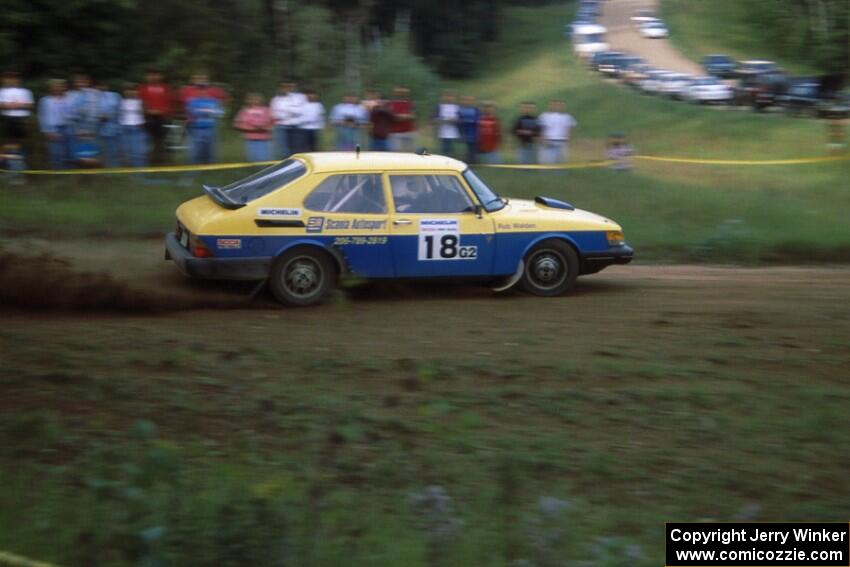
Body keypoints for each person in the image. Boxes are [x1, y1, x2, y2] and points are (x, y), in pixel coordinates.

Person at [137, 69, 173, 165]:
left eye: (156, 75)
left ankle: (161, 163)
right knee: (148, 142)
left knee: (161, 142)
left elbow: (169, 103)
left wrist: (162, 112)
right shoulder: (143, 88)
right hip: (148, 119)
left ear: (160, 76)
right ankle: (148, 163)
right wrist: (147, 111)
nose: (153, 77)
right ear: (147, 77)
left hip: (162, 119)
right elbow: (140, 103)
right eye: (150, 75)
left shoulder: (165, 88)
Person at [0, 71, 34, 169]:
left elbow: (30, 105)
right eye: (10, 78)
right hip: (7, 119)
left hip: (23, 120)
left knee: (23, 145)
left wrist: (19, 105)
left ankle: (22, 169)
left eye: (15, 78)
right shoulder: (2, 91)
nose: (13, 80)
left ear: (19, 80)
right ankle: (12, 170)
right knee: (9, 146)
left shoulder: (26, 91)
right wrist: (9, 105)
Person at [185, 85, 223, 164]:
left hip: (210, 128)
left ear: (207, 91)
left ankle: (209, 167)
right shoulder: (192, 101)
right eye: (199, 90)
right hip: (197, 129)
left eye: (203, 90)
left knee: (210, 149)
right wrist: (209, 111)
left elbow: (220, 113)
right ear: (196, 91)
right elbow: (193, 112)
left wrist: (204, 111)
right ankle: (195, 167)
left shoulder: (213, 101)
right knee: (196, 150)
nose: (201, 92)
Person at [38, 79, 70, 169]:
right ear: (50, 88)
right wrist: (47, 131)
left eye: (60, 86)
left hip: (69, 128)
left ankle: (70, 176)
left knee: (69, 154)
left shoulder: (70, 99)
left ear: (64, 87)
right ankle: (58, 176)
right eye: (55, 86)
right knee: (56, 154)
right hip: (53, 129)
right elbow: (42, 117)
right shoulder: (45, 100)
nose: (58, 88)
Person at [270, 81, 307, 157]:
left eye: (289, 86)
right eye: (284, 87)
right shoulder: (275, 99)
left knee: (298, 149)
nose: (287, 88)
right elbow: (274, 114)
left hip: (297, 126)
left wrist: (286, 111)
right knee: (284, 150)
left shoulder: (300, 97)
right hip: (282, 126)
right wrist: (291, 111)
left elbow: (302, 111)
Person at [233, 93, 273, 162]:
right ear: (248, 100)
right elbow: (237, 123)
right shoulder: (244, 110)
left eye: (256, 99)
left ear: (261, 100)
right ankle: (255, 168)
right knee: (252, 157)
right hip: (249, 136)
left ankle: (265, 168)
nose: (254, 101)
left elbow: (272, 122)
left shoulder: (266, 110)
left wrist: (266, 128)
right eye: (252, 99)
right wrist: (247, 128)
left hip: (263, 137)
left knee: (263, 157)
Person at [538, 100, 577, 164]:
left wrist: (569, 140)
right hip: (548, 141)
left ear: (563, 107)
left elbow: (570, 129)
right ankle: (547, 173)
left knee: (562, 160)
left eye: (560, 105)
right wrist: (542, 140)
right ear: (550, 106)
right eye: (555, 105)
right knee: (548, 161)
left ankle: (561, 173)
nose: (557, 107)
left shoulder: (567, 117)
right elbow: (540, 129)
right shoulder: (544, 116)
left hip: (562, 141)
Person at [119, 84, 148, 167]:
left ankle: (140, 174)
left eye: (133, 90)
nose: (130, 92)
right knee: (126, 152)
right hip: (124, 128)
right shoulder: (121, 102)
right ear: (124, 92)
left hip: (137, 128)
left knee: (138, 153)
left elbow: (145, 114)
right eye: (128, 90)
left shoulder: (141, 102)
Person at [96, 82, 122, 168]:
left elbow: (120, 110)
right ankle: (105, 174)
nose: (101, 87)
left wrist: (109, 116)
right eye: (99, 85)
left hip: (114, 130)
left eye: (103, 85)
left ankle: (115, 173)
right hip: (98, 131)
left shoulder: (114, 96)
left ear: (107, 86)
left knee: (114, 153)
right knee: (101, 154)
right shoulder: (92, 98)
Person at [388, 86, 416, 152]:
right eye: (399, 92)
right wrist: (405, 116)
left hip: (409, 132)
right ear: (395, 93)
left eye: (404, 92)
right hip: (395, 133)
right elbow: (391, 117)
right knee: (397, 153)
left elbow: (413, 116)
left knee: (410, 153)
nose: (402, 94)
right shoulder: (391, 103)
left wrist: (400, 116)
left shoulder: (411, 103)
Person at [434, 90, 460, 156]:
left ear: (454, 98)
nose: (449, 98)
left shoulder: (457, 107)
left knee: (452, 151)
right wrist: (443, 120)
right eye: (447, 96)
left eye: (451, 96)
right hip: (442, 133)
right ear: (443, 97)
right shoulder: (439, 106)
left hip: (453, 133)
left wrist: (455, 120)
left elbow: (460, 119)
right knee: (443, 152)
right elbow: (434, 119)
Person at [457, 95, 480, 164]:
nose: (467, 102)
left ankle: (472, 161)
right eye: (465, 100)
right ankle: (464, 161)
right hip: (463, 133)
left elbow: (478, 120)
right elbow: (458, 121)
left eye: (469, 100)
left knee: (472, 148)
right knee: (464, 148)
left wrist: (468, 121)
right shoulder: (460, 110)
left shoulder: (475, 110)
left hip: (473, 133)